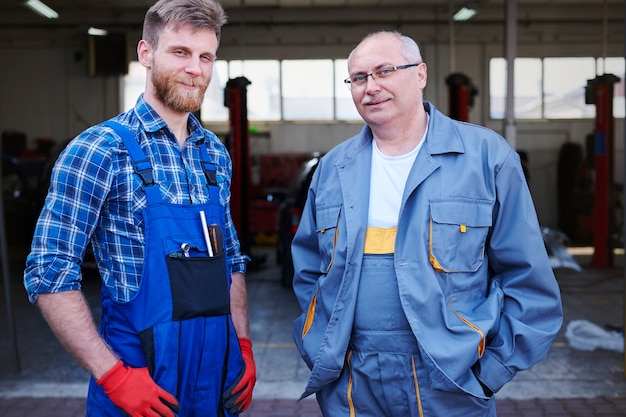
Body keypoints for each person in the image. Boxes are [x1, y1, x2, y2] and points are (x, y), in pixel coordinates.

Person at [291, 30, 562, 417]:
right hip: (352, 385)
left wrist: (490, 372)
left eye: (385, 71)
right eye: (359, 78)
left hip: (450, 382)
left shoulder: (486, 158)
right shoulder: (334, 169)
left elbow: (529, 279)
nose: (371, 87)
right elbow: (309, 272)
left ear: (420, 74)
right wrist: (317, 345)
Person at [23, 1, 256, 416]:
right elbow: (48, 270)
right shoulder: (99, 150)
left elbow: (232, 260)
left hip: (215, 385)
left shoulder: (215, 156)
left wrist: (242, 345)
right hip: (140, 384)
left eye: (206, 57)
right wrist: (113, 376)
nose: (195, 69)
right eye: (180, 52)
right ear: (146, 54)